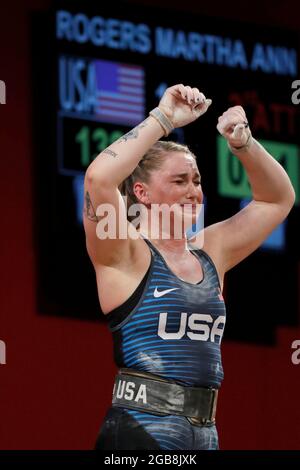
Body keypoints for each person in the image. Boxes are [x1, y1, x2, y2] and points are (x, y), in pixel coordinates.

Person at [83, 84, 295, 450]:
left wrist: (242, 143)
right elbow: (99, 179)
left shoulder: (212, 251)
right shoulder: (125, 252)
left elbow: (278, 199)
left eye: (196, 180)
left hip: (203, 433)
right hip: (141, 430)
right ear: (142, 194)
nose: (193, 191)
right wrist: (163, 118)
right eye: (179, 181)